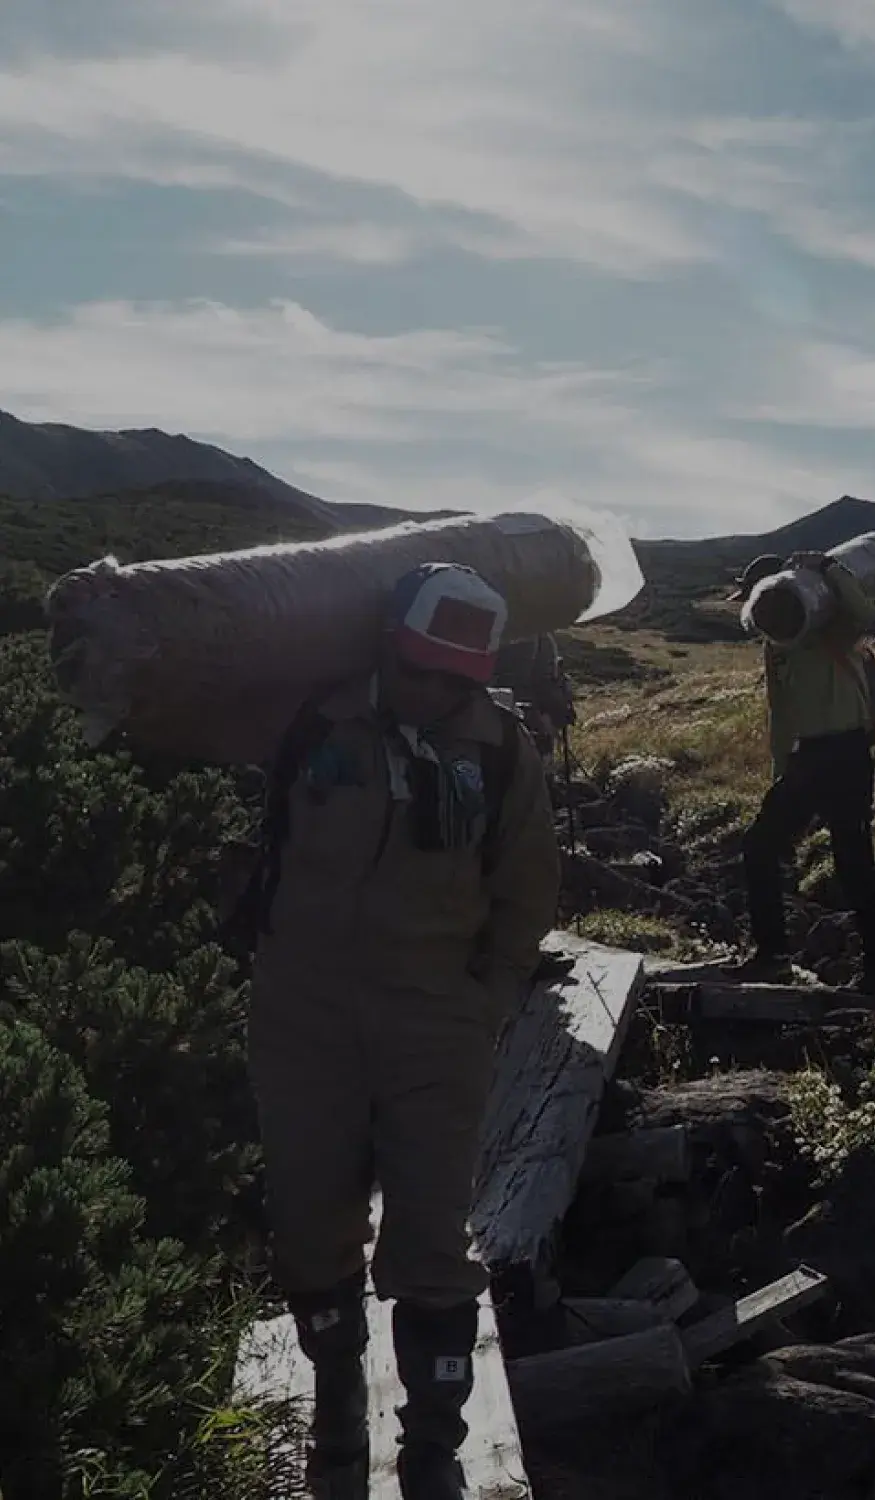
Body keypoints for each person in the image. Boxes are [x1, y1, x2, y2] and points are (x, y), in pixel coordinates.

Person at [241, 563, 561, 1499]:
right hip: (303, 1016)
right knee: (308, 1223)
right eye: (419, 671)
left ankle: (432, 1445)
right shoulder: (315, 721)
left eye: (452, 680)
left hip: (433, 1020)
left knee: (429, 1237)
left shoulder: (499, 750)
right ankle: (337, 1397)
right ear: (389, 647)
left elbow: (527, 889)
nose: (432, 692)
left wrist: (487, 998)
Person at [727, 551, 875, 992]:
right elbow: (780, 712)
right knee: (762, 846)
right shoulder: (775, 645)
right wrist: (782, 768)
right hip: (810, 758)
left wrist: (829, 570)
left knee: (852, 857)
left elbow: (864, 611)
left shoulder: (834, 629)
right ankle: (774, 955)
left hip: (845, 751)